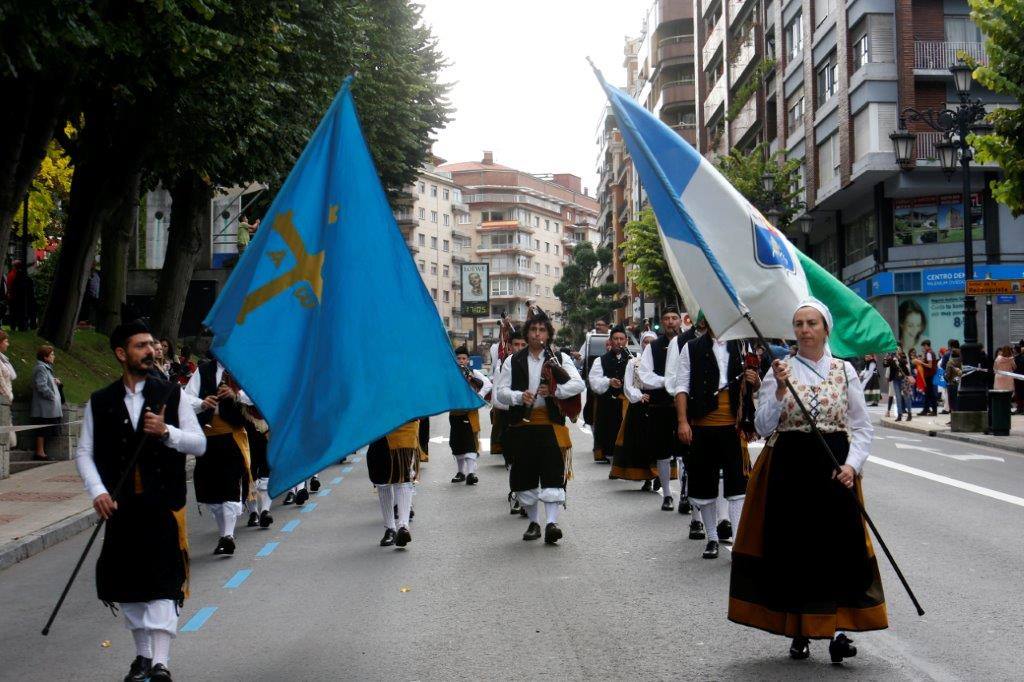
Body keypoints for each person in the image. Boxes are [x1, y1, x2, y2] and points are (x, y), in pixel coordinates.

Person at [729, 299, 885, 664]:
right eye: (798, 323)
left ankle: (840, 630)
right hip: (790, 468)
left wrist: (851, 465)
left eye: (811, 323)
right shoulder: (779, 370)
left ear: (825, 329)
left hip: (834, 467)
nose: (804, 330)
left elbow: (861, 427)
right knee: (794, 549)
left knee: (839, 548)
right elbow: (764, 426)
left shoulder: (844, 371)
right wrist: (780, 391)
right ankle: (799, 628)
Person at [74, 321, 206, 682]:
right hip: (121, 507)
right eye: (141, 346)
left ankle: (162, 662)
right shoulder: (100, 402)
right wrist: (98, 491)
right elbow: (84, 453)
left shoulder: (172, 395)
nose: (151, 351)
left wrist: (166, 432)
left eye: (152, 344)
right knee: (130, 583)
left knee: (164, 581)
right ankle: (142, 657)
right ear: (121, 354)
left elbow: (199, 443)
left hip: (163, 505)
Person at [496, 307, 585, 544]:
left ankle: (551, 523)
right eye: (533, 330)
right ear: (527, 333)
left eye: (542, 330)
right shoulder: (512, 361)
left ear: (548, 334)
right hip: (523, 426)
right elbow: (500, 393)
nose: (537, 334)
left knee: (553, 474)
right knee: (525, 476)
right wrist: (518, 397)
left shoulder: (559, 358)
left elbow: (578, 385)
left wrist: (554, 391)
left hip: (551, 425)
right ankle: (534, 522)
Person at [674, 325, 758, 559]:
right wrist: (683, 422)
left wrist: (755, 379)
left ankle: (738, 543)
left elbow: (754, 384)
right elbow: (681, 386)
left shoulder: (742, 345)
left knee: (738, 487)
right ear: (704, 323)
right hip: (702, 426)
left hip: (735, 426)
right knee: (704, 487)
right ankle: (711, 538)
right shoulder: (691, 348)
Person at [184, 358, 252, 555]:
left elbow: (256, 396)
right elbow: (186, 398)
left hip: (232, 435)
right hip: (206, 436)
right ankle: (224, 535)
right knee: (211, 490)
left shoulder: (241, 366)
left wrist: (236, 394)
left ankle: (228, 536)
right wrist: (202, 402)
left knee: (231, 484)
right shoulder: (205, 369)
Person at [637, 306, 684, 511]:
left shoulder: (689, 343)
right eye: (667, 318)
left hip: (683, 407)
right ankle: (666, 494)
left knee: (684, 453)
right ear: (662, 322)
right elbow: (645, 376)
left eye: (674, 318)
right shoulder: (653, 347)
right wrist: (668, 382)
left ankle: (685, 494)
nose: (671, 321)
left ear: (680, 321)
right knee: (663, 453)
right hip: (660, 405)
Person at [611, 331, 659, 487]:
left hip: (657, 405)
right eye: (646, 342)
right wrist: (639, 396)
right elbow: (628, 385)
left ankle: (660, 475)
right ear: (641, 344)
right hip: (639, 407)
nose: (649, 345)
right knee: (641, 443)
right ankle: (646, 476)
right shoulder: (634, 362)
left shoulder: (661, 361)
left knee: (658, 442)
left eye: (652, 342)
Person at [367, 420, 421, 547]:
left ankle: (402, 526)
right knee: (382, 480)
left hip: (404, 425)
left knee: (403, 476)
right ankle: (391, 528)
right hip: (380, 427)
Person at [493, 330, 528, 514]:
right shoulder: (508, 362)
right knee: (514, 459)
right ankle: (516, 492)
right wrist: (518, 399)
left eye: (523, 345)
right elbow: (499, 395)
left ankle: (527, 497)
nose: (520, 348)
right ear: (510, 346)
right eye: (516, 345)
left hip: (532, 417)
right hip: (511, 415)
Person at [588, 325, 631, 465]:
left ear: (626, 340)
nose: (619, 342)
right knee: (609, 433)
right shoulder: (600, 360)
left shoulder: (633, 358)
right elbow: (594, 382)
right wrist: (609, 381)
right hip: (609, 405)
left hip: (628, 404)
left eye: (621, 339)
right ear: (610, 341)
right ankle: (612, 460)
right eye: (615, 339)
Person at [449, 345, 491, 485]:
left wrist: (478, 397)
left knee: (470, 442)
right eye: (459, 358)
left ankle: (471, 473)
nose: (461, 360)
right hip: (455, 412)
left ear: (468, 360)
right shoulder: (451, 374)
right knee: (457, 443)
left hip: (470, 413)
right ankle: (460, 472)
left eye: (464, 358)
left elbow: (487, 385)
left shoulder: (474, 373)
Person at [242, 404, 273, 529]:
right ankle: (253, 512)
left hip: (267, 427)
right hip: (245, 431)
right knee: (249, 474)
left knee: (267, 470)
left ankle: (265, 510)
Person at [31, 345, 63, 461]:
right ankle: (40, 453)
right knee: (42, 430)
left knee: (46, 431)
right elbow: (41, 385)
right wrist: (52, 396)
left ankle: (42, 452)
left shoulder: (47, 368)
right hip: (43, 408)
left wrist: (55, 382)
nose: (54, 356)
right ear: (45, 357)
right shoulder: (41, 368)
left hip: (48, 408)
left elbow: (46, 382)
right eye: (52, 355)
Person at [885, 348, 912, 422]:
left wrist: (898, 359)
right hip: (895, 380)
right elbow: (885, 365)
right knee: (898, 397)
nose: (897, 351)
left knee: (906, 396)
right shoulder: (891, 357)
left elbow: (906, 365)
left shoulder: (903, 356)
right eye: (895, 350)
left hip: (904, 379)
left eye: (898, 349)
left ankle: (909, 413)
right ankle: (899, 415)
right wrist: (886, 358)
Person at [0, 331, 16, 448]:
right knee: (10, 441)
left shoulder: (3, 359)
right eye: (6, 341)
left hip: (6, 402)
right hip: (3, 401)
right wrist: (8, 397)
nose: (8, 344)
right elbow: (1, 382)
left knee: (10, 441)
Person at [918, 340, 938, 416]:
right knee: (928, 393)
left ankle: (933, 411)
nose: (923, 348)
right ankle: (926, 410)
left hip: (929, 375)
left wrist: (921, 363)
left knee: (930, 393)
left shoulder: (929, 353)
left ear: (926, 345)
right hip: (930, 375)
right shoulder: (930, 352)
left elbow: (930, 365)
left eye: (923, 346)